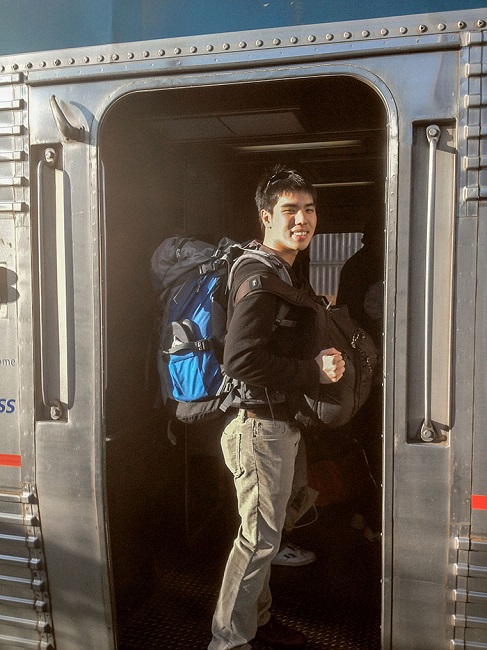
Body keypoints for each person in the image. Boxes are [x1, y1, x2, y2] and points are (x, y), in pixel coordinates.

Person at [208, 165, 345, 650]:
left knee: (265, 538)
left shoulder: (280, 270)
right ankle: (228, 641)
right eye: (289, 210)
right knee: (258, 541)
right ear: (266, 216)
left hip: (275, 426)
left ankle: (259, 624)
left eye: (308, 210)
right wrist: (313, 371)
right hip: (258, 428)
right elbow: (241, 359)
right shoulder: (259, 274)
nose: (302, 220)